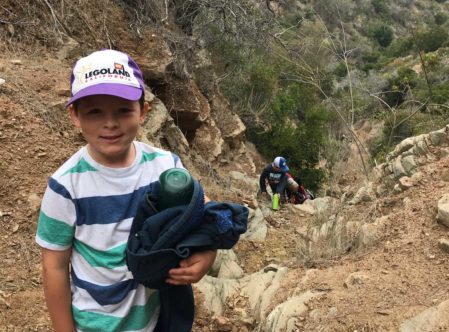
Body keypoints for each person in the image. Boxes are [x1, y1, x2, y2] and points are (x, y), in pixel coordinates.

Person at [35, 49, 217, 332]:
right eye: (95, 112)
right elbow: (54, 267)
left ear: (143, 111)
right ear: (75, 115)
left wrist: (207, 254)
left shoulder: (165, 166)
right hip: (95, 324)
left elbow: (202, 213)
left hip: (155, 319)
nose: (110, 123)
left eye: (123, 110)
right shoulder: (66, 186)